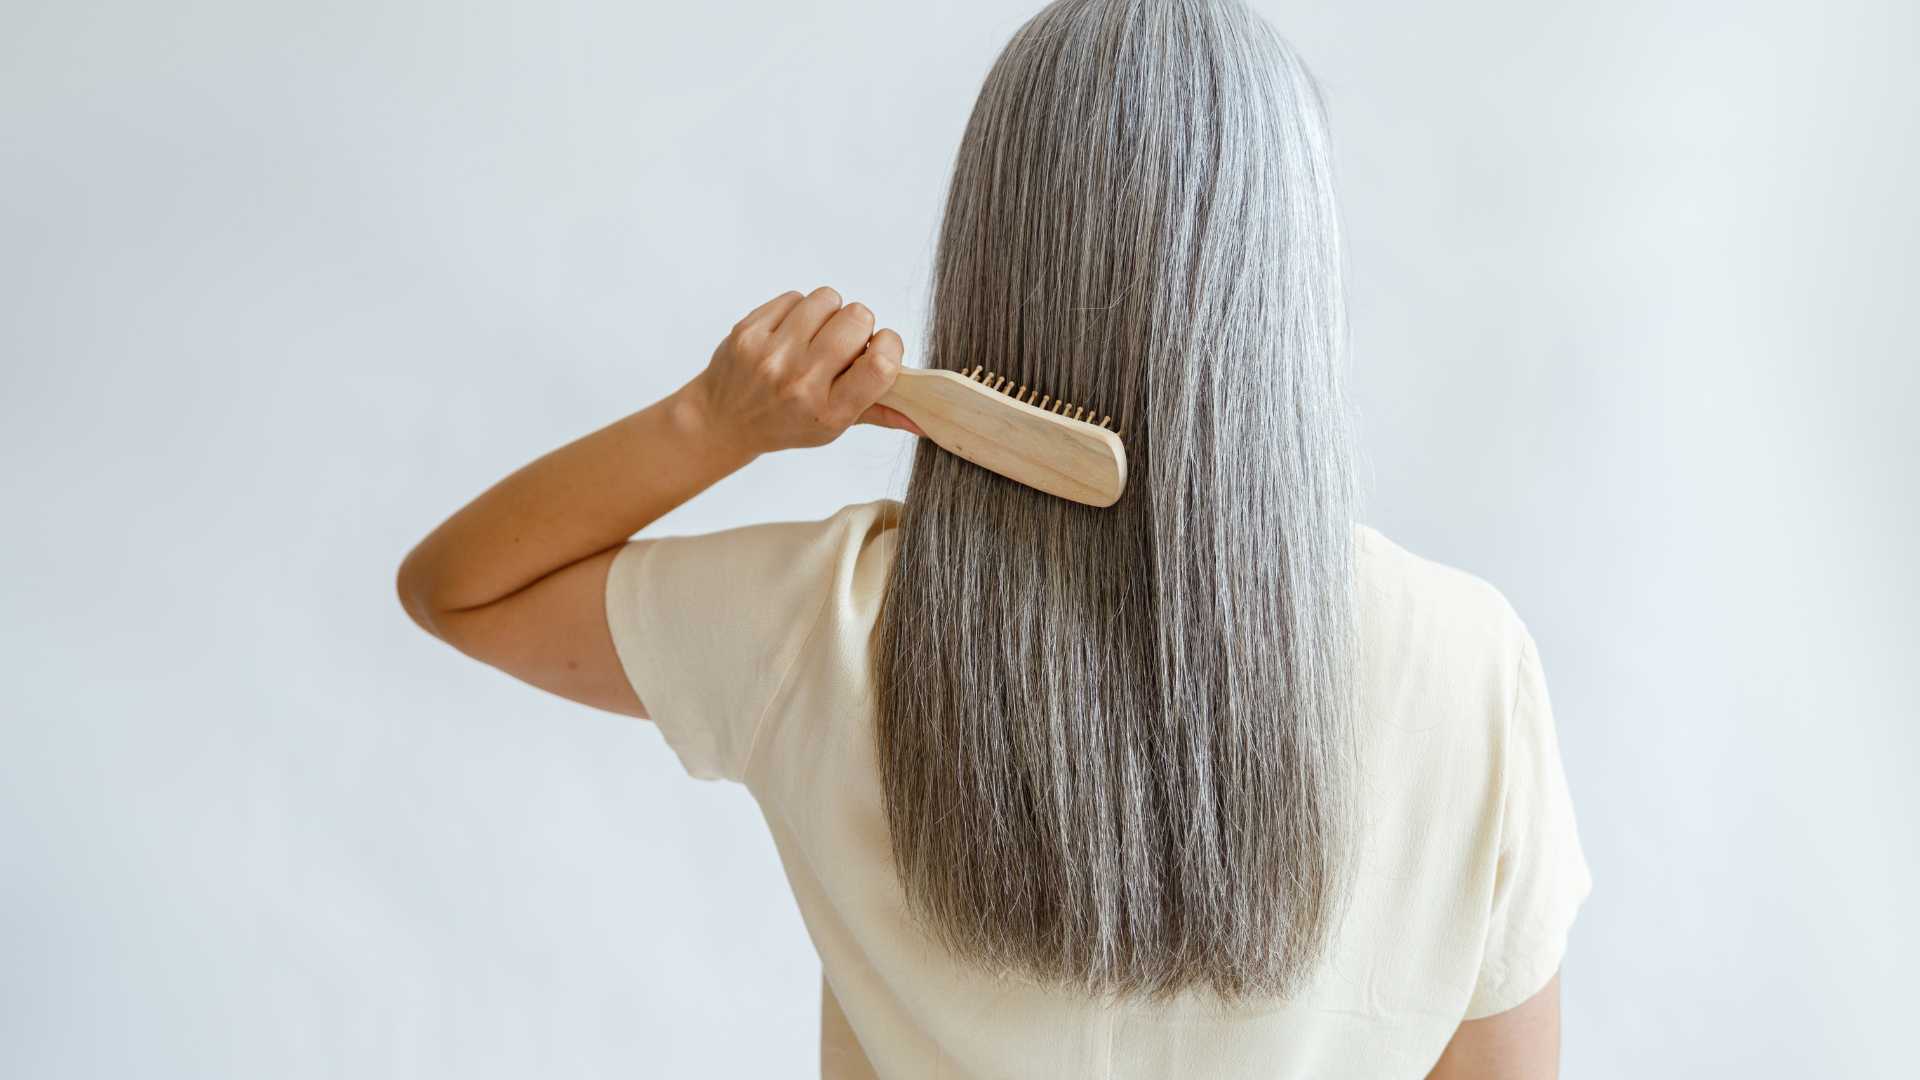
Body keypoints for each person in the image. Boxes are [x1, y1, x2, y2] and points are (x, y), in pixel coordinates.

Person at [396, 1, 1591, 1075]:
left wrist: (713, 421)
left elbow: (464, 592)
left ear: (991, 260)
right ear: (1282, 295)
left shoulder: (822, 626)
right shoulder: (1469, 666)